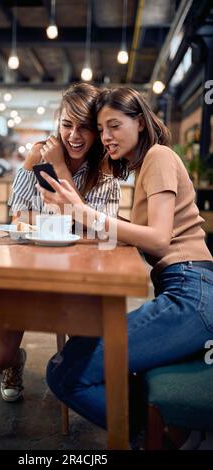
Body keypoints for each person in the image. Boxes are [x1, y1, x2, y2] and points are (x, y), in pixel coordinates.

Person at [35, 86, 213, 436]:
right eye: (101, 129)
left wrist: (83, 213)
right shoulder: (147, 164)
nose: (106, 137)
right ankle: (157, 433)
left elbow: (160, 239)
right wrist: (79, 217)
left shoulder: (159, 156)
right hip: (186, 293)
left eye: (114, 125)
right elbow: (146, 234)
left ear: (140, 123)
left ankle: (154, 440)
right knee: (72, 362)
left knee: (65, 372)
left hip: (193, 297)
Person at [0, 83, 121, 403]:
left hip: (80, 275)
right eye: (66, 125)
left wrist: (60, 171)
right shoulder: (36, 155)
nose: (74, 135)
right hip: (27, 269)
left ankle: (64, 374)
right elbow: (19, 217)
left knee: (85, 356)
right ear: (57, 123)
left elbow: (105, 236)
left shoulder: (105, 171)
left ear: (96, 130)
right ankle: (14, 361)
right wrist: (70, 220)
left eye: (84, 127)